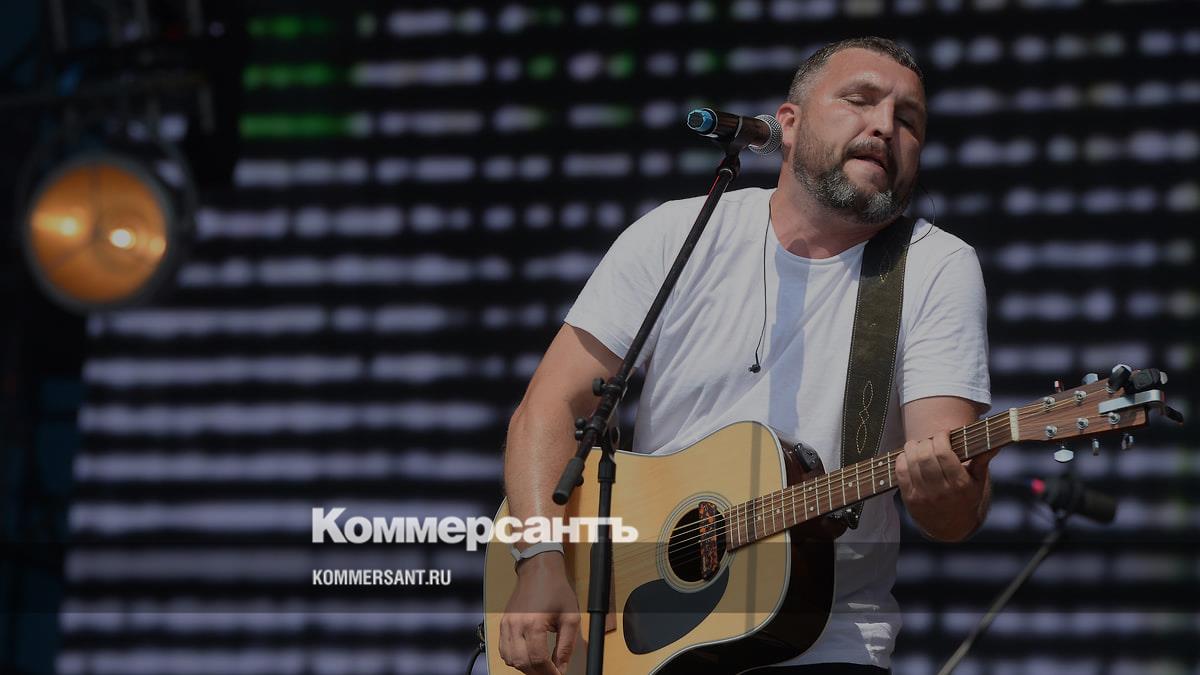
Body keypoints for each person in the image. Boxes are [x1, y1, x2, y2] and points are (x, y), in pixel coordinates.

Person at [498, 37, 994, 674]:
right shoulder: (681, 231)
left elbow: (950, 512)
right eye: (860, 101)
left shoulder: (934, 266)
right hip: (639, 639)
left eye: (909, 120)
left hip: (823, 644)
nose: (884, 126)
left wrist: (945, 491)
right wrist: (540, 560)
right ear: (787, 124)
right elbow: (549, 407)